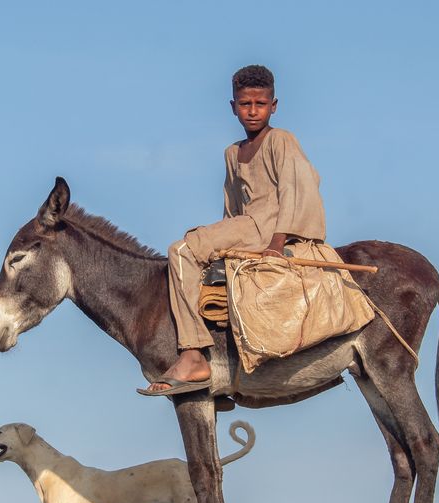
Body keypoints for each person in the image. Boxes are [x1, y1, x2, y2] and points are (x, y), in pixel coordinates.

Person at [139, 64, 327, 396]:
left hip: (267, 227)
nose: (252, 111)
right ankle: (222, 374)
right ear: (233, 107)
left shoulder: (281, 141)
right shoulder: (232, 153)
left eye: (260, 104)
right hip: (244, 227)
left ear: (274, 105)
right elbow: (232, 207)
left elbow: (297, 189)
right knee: (208, 270)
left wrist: (277, 242)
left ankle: (193, 353)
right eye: (245, 104)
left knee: (180, 251)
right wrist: (223, 242)